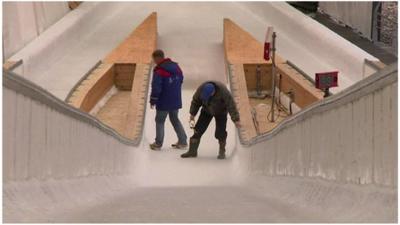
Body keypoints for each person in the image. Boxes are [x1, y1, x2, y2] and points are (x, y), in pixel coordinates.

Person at [181, 81, 241, 159]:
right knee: (198, 130)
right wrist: (192, 114)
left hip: (221, 112)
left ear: (213, 92)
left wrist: (236, 119)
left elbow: (231, 105)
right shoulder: (201, 89)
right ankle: (192, 152)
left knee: (220, 133)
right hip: (206, 110)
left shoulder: (223, 91)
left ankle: (222, 151)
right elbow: (196, 101)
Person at [149, 49, 187, 150]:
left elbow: (156, 87)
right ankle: (183, 141)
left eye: (154, 59)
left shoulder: (159, 70)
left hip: (164, 101)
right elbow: (181, 79)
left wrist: (153, 100)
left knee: (160, 120)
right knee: (175, 119)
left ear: (157, 58)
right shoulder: (176, 67)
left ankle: (158, 144)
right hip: (175, 99)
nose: (154, 61)